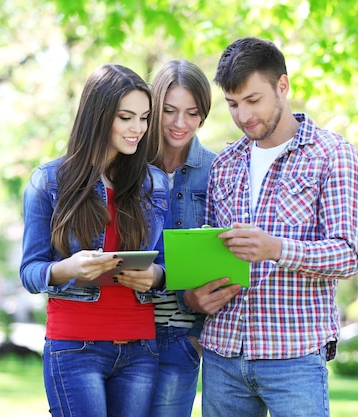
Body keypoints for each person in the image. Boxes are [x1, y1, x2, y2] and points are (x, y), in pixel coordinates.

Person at [184, 37, 358, 417]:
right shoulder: (226, 163)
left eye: (253, 101)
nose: (243, 115)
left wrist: (278, 249)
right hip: (223, 354)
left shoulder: (333, 155)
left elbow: (347, 254)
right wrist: (195, 294)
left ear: (282, 86)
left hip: (294, 356)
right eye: (233, 104)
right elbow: (210, 252)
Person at [19, 64, 170, 417]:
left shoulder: (155, 183)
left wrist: (157, 277)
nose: (138, 129)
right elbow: (30, 271)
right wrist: (67, 268)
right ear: (99, 116)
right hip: (74, 347)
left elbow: (164, 263)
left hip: (139, 349)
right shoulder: (49, 181)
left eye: (144, 118)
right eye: (126, 117)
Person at [146, 59, 216, 417]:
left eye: (191, 113)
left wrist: (196, 332)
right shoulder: (127, 164)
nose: (179, 123)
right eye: (169, 110)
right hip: (127, 327)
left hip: (182, 333)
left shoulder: (216, 169)